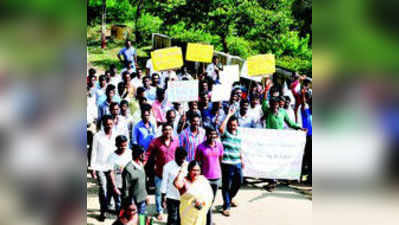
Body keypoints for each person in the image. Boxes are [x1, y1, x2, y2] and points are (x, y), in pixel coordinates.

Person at [146, 124, 180, 221]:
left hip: (173, 173)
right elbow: (148, 153)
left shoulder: (176, 141)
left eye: (169, 129)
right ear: (162, 131)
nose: (168, 132)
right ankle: (159, 211)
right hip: (159, 173)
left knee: (173, 193)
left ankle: (171, 211)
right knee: (158, 193)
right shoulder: (156, 142)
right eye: (165, 130)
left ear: (172, 130)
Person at [195, 126, 224, 225]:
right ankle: (208, 222)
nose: (213, 136)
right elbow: (198, 163)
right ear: (206, 135)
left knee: (211, 202)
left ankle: (207, 221)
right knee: (205, 202)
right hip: (205, 179)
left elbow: (220, 159)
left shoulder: (219, 145)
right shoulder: (200, 147)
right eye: (210, 134)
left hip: (216, 177)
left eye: (214, 134)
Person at [91, 115, 117, 221]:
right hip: (100, 166)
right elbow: (93, 151)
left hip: (113, 167)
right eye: (107, 124)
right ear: (103, 124)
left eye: (111, 124)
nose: (109, 126)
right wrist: (92, 167)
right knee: (103, 188)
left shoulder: (116, 135)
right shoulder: (97, 136)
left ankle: (108, 207)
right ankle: (103, 211)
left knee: (111, 188)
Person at [218, 107, 244, 217]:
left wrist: (242, 159)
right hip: (227, 164)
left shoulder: (239, 133)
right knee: (226, 185)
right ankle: (226, 206)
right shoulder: (225, 134)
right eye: (231, 124)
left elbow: (239, 148)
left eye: (235, 124)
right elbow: (220, 129)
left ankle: (230, 198)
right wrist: (228, 115)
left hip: (237, 162)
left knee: (239, 182)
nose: (233, 126)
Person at [173, 161, 213, 225]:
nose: (196, 173)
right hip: (187, 216)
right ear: (189, 170)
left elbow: (209, 196)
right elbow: (177, 184)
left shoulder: (202, 180)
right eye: (193, 170)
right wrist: (182, 170)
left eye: (198, 170)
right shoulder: (185, 181)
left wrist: (202, 202)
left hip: (200, 214)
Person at [161, 147, 188, 225]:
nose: (182, 161)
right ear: (175, 156)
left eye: (184, 159)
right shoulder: (167, 166)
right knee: (172, 218)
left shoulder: (187, 165)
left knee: (182, 218)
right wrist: (163, 197)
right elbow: (164, 182)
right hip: (171, 197)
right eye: (180, 159)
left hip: (183, 197)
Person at [107, 135, 133, 214]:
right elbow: (110, 172)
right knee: (118, 203)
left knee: (129, 204)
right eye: (121, 146)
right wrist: (114, 187)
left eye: (125, 145)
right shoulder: (111, 157)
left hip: (128, 184)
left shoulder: (130, 153)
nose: (123, 148)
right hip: (117, 184)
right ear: (116, 145)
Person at [122, 145, 148, 218]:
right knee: (133, 220)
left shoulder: (141, 165)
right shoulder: (128, 169)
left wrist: (146, 196)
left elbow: (142, 183)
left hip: (142, 200)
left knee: (142, 219)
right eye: (142, 153)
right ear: (137, 154)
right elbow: (125, 189)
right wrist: (129, 203)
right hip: (133, 202)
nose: (144, 155)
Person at [300, 88, 312, 185]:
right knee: (305, 157)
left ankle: (310, 178)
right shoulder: (306, 112)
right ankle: (300, 175)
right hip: (306, 138)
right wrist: (303, 94)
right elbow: (304, 104)